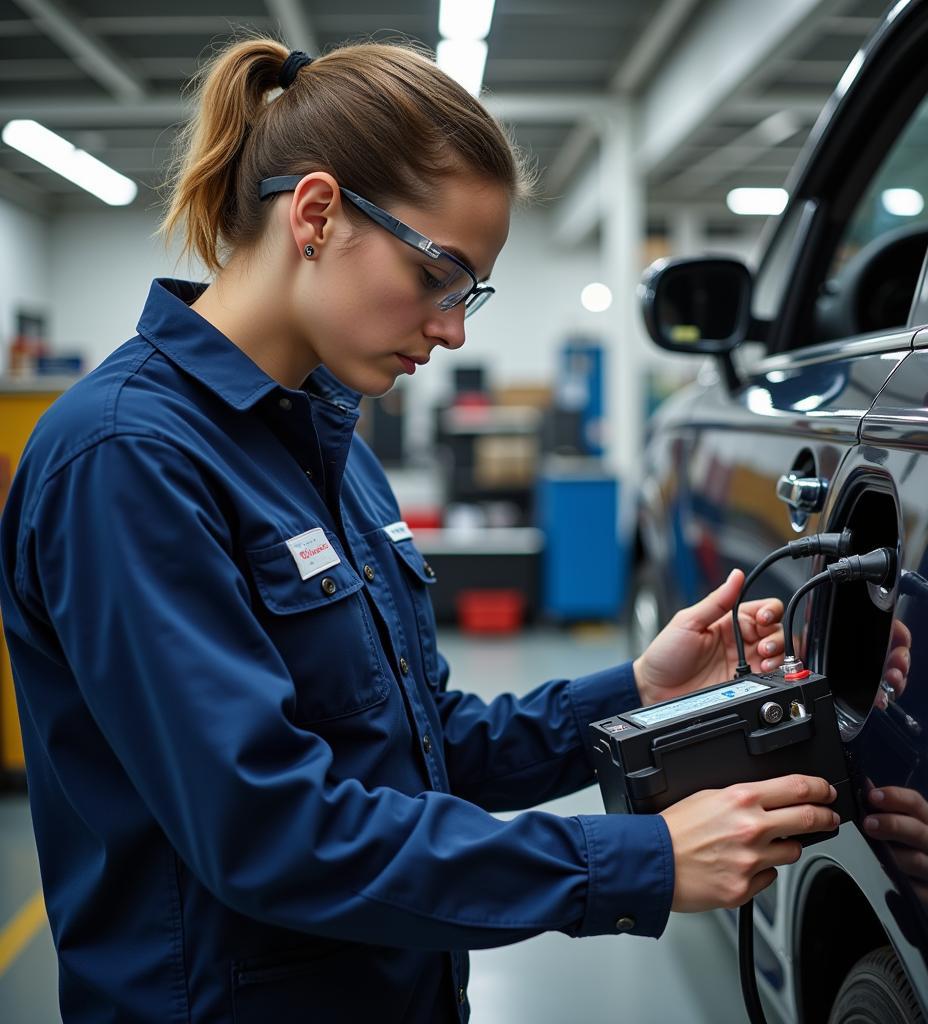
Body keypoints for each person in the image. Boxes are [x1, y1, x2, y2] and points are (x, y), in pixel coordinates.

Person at [0, 39, 838, 1023]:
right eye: (439, 273)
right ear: (314, 215)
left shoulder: (331, 446)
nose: (454, 330)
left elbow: (424, 743)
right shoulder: (125, 458)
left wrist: (639, 689)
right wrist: (637, 862)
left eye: (468, 290)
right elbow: (271, 832)